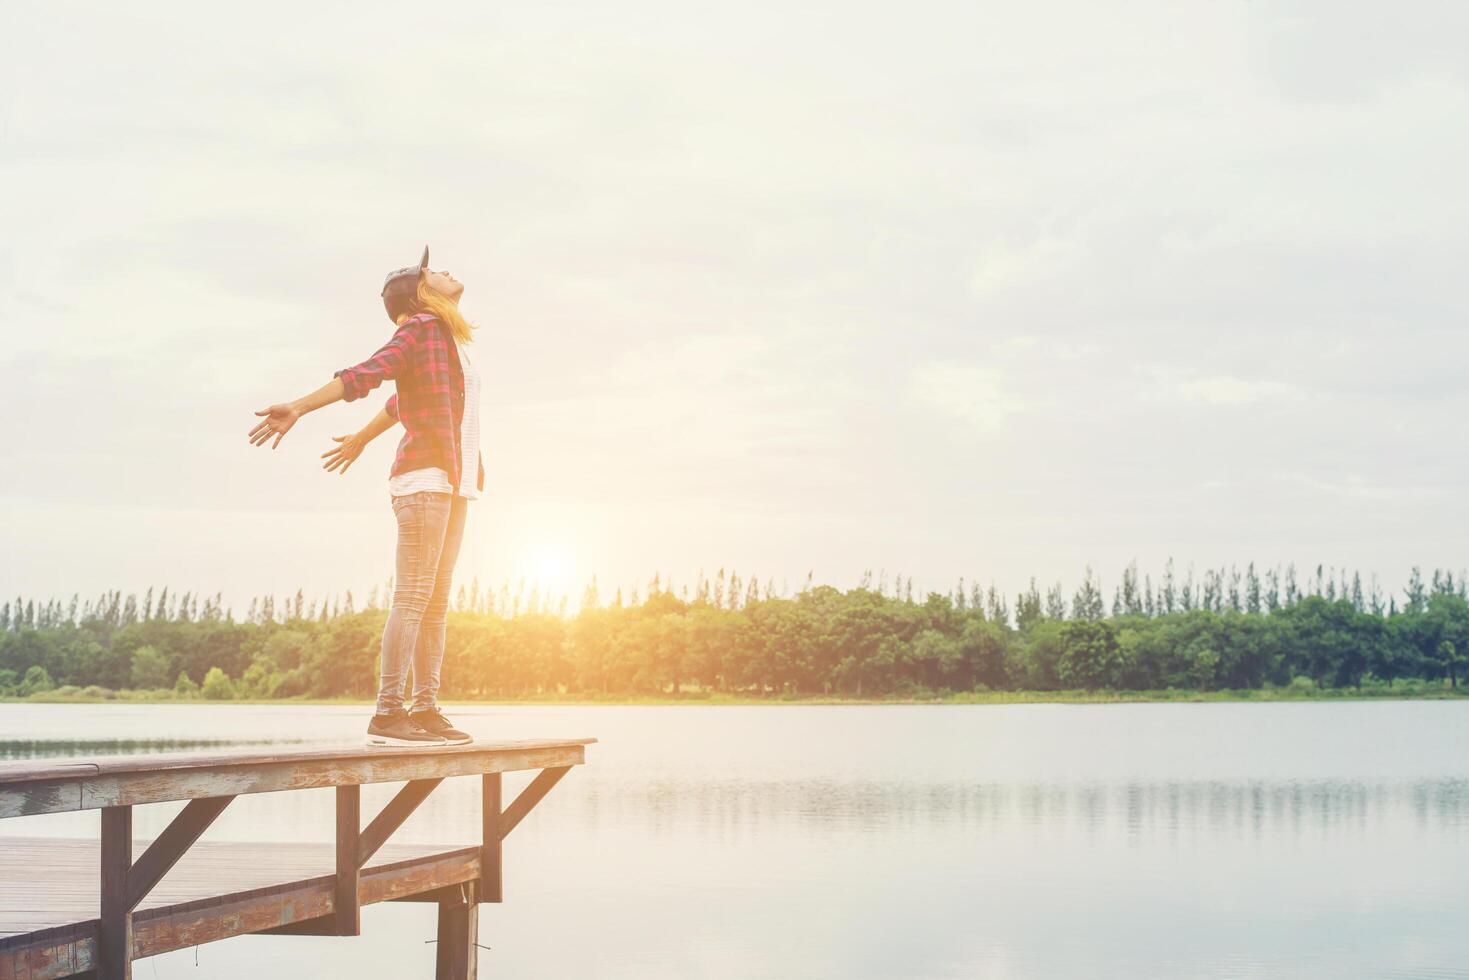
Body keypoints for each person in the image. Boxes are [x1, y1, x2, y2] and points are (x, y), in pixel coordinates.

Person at [248, 246, 482, 747]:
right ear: (420, 293)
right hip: (424, 481)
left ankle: (425, 709)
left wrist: (360, 438)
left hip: (457, 481)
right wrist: (300, 407)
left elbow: (403, 400)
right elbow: (367, 374)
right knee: (415, 597)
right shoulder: (418, 327)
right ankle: (388, 712)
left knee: (437, 603)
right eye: (433, 271)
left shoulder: (445, 339)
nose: (446, 270)